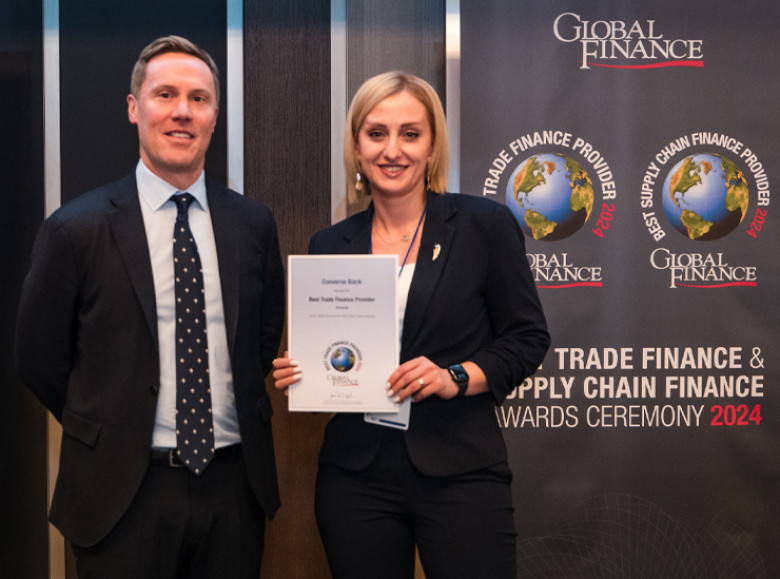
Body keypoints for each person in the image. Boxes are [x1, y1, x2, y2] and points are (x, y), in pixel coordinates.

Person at [15, 36, 284, 578]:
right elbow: (38, 357)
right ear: (134, 108)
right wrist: (108, 422)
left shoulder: (253, 225)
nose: (183, 111)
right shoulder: (75, 228)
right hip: (119, 495)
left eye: (198, 99)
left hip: (232, 489)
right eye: (165, 95)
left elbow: (260, 341)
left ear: (214, 116)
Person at [273, 71, 550, 578]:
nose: (392, 150)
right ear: (356, 147)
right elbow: (335, 359)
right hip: (356, 478)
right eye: (376, 133)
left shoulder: (483, 225)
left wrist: (454, 376)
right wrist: (303, 373)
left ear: (432, 146)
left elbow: (528, 337)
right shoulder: (330, 244)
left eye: (410, 133)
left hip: (461, 470)